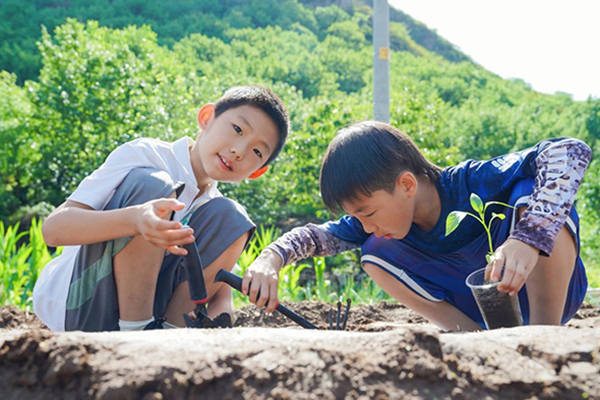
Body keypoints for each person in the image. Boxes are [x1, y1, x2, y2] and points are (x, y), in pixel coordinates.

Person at [242, 121, 592, 331]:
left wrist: (526, 238)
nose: (366, 224)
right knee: (374, 252)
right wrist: (269, 258)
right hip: (478, 312)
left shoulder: (473, 181)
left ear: (406, 185)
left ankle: (544, 334)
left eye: (368, 212)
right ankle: (470, 336)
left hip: (549, 295)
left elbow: (570, 151)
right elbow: (317, 237)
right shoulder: (377, 225)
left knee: (527, 192)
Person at [33, 86, 289, 332]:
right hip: (82, 305)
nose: (238, 150)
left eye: (257, 151)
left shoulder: (215, 211)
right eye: (237, 129)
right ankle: (137, 331)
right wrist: (135, 220)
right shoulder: (146, 155)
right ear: (207, 117)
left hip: (157, 316)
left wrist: (220, 318)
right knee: (154, 185)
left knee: (233, 218)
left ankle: (168, 335)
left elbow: (219, 293)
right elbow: (53, 230)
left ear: (258, 171)